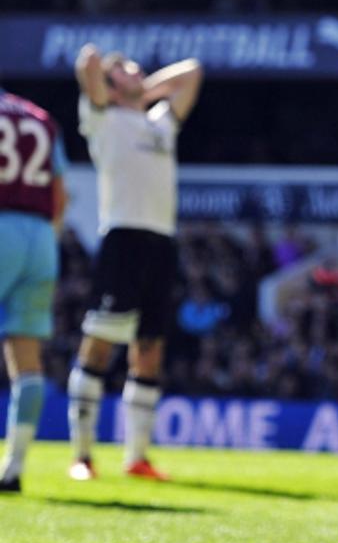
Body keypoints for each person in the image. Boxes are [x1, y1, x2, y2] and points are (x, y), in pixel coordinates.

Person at [67, 45, 202, 481]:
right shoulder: (102, 118)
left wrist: (144, 90)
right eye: (126, 68)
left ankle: (137, 457)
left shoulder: (160, 121)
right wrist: (111, 71)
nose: (136, 70)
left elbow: (193, 72)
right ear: (111, 84)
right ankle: (82, 457)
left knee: (149, 351)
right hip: (122, 238)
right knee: (100, 345)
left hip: (161, 242)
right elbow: (86, 61)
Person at [0, 89, 70, 493]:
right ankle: (13, 467)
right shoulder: (40, 116)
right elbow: (60, 195)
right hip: (41, 238)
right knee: (27, 359)